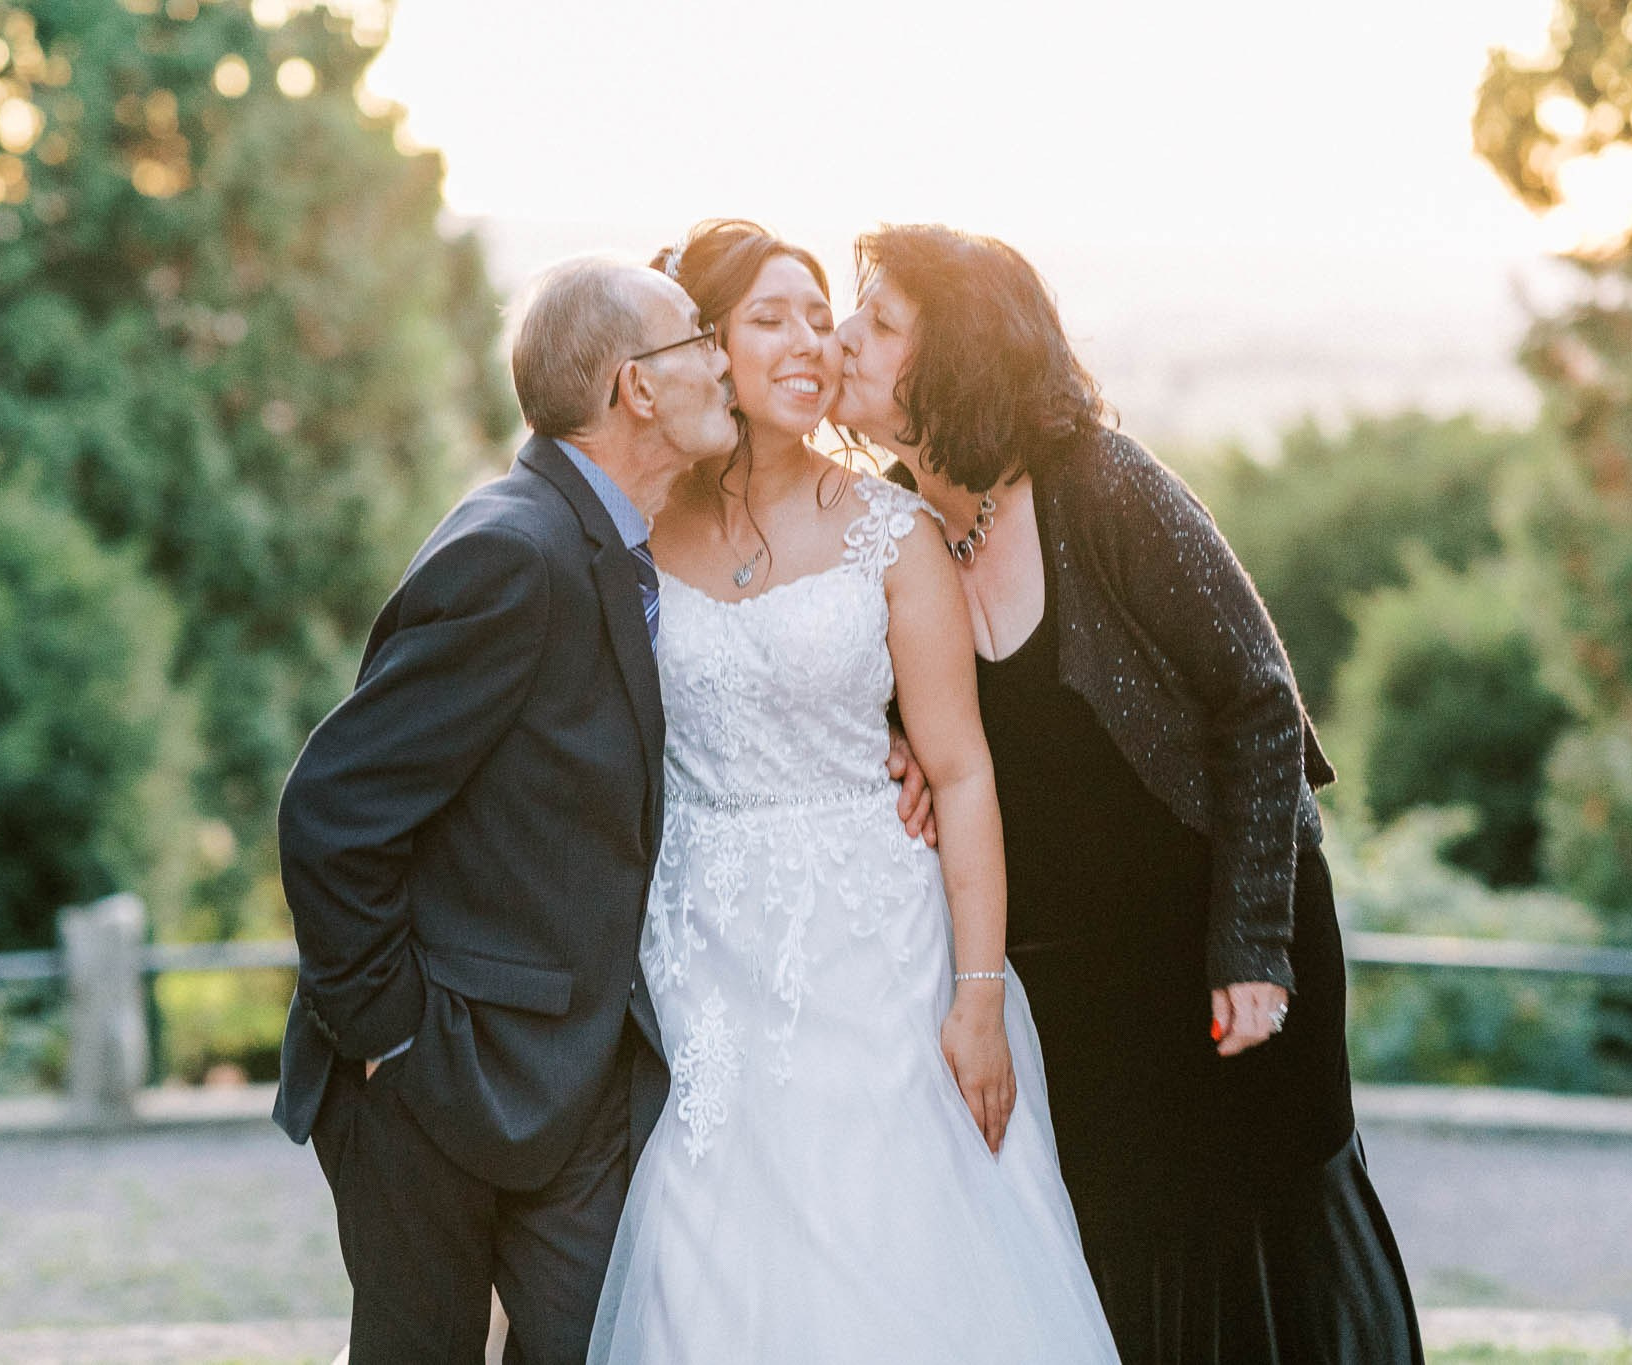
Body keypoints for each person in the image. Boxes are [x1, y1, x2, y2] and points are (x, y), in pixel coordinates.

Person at [834, 223, 1424, 1362]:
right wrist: (894, 745)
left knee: (1253, 1258)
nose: (842, 337)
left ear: (952, 356)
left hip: (1216, 959)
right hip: (1068, 993)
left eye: (878, 319)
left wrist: (1250, 949)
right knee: (1113, 1262)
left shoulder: (1100, 486)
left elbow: (1257, 703)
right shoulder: (893, 530)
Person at [586, 220, 1117, 1363]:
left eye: (819, 318)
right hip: (702, 954)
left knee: (895, 1255)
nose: (808, 341)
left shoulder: (892, 532)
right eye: (767, 317)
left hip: (878, 958)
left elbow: (962, 771)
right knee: (708, 1256)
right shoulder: (632, 529)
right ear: (705, 348)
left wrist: (976, 998)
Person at [273, 257, 741, 1364]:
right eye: (696, 341)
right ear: (634, 387)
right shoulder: (513, 553)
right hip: (433, 1083)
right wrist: (388, 1032)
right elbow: (331, 813)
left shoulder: (607, 543)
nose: (719, 360)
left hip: (567, 1083)